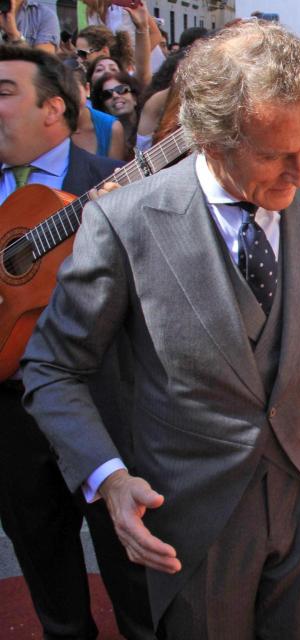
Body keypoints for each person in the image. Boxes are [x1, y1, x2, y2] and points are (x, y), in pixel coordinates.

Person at [21, 22, 300, 639]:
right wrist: (109, 477)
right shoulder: (123, 222)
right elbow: (53, 367)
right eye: (274, 153)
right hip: (189, 519)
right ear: (206, 138)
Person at [0, 44, 153, 640]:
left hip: (105, 401)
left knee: (134, 564)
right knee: (43, 563)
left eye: (5, 90)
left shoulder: (114, 185)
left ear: (53, 108)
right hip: (11, 413)